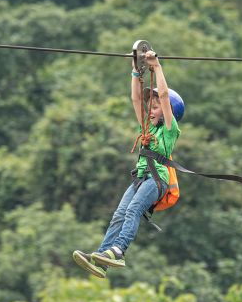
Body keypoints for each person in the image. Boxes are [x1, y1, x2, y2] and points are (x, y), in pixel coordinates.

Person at [73, 50, 183, 278]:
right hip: (141, 177)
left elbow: (163, 95)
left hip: (156, 178)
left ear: (167, 112)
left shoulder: (170, 131)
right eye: (149, 106)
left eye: (155, 107)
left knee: (133, 210)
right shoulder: (147, 128)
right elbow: (135, 99)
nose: (149, 109)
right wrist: (135, 70)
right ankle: (102, 258)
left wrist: (157, 67)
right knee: (119, 214)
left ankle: (119, 251)